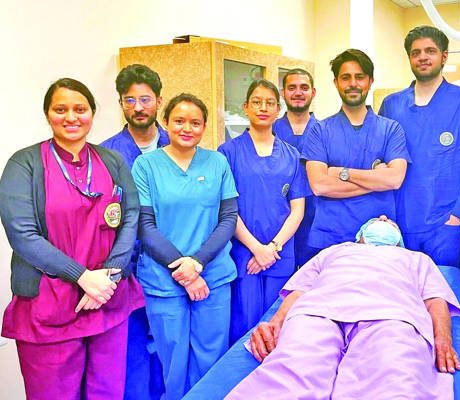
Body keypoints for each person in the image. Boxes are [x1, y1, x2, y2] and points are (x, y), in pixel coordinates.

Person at [0, 78, 143, 400]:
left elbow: (131, 215)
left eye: (80, 109)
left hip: (106, 299)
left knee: (108, 392)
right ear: (47, 114)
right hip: (49, 305)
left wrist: (110, 275)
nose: (71, 117)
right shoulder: (25, 165)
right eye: (60, 109)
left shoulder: (111, 161)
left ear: (92, 113)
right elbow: (22, 234)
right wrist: (82, 277)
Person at [225, 216, 460, 400]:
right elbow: (299, 290)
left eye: (390, 223)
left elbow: (435, 300)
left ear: (399, 242)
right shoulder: (334, 251)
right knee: (295, 368)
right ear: (359, 235)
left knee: (393, 376)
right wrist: (276, 323)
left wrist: (443, 339)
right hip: (318, 311)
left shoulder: (416, 259)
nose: (383, 218)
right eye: (376, 220)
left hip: (391, 314)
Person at [132, 93, 238, 400]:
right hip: (163, 279)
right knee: (172, 361)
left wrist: (198, 263)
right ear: (165, 122)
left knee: (211, 358)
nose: (187, 128)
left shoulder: (217, 162)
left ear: (204, 127)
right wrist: (185, 271)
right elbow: (145, 226)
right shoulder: (146, 166)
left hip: (212, 275)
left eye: (195, 122)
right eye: (179, 121)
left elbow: (228, 218)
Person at [379, 26, 460, 267]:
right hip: (400, 220)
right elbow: (379, 161)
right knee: (401, 286)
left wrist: (459, 214)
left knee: (446, 287)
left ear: (444, 56)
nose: (423, 57)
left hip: (445, 224)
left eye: (430, 51)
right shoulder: (392, 105)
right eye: (415, 53)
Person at [219, 79, 310, 345]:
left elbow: (297, 210)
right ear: (246, 107)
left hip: (279, 253)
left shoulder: (292, 155)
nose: (263, 108)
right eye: (257, 102)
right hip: (243, 253)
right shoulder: (228, 153)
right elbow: (227, 209)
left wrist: (272, 248)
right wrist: (256, 249)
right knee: (243, 326)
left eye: (270, 103)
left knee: (276, 326)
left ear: (278, 109)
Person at [101, 63, 166, 400]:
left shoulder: (182, 143)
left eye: (145, 99)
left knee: (172, 350)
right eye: (130, 100)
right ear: (121, 104)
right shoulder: (105, 154)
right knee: (133, 353)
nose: (138, 107)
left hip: (174, 264)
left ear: (159, 101)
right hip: (128, 268)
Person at [302, 49, 411, 249]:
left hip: (378, 238)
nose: (353, 83)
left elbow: (394, 180)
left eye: (360, 77)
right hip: (331, 236)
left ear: (370, 81)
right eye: (346, 78)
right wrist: (377, 181)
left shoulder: (391, 129)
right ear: (336, 82)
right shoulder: (320, 130)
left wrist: (341, 173)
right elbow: (319, 186)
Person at [273, 68, 320, 266]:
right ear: (283, 93)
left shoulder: (326, 131)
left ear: (313, 92)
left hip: (316, 221)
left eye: (304, 87)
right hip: (277, 221)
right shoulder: (269, 131)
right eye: (292, 88)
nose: (298, 92)